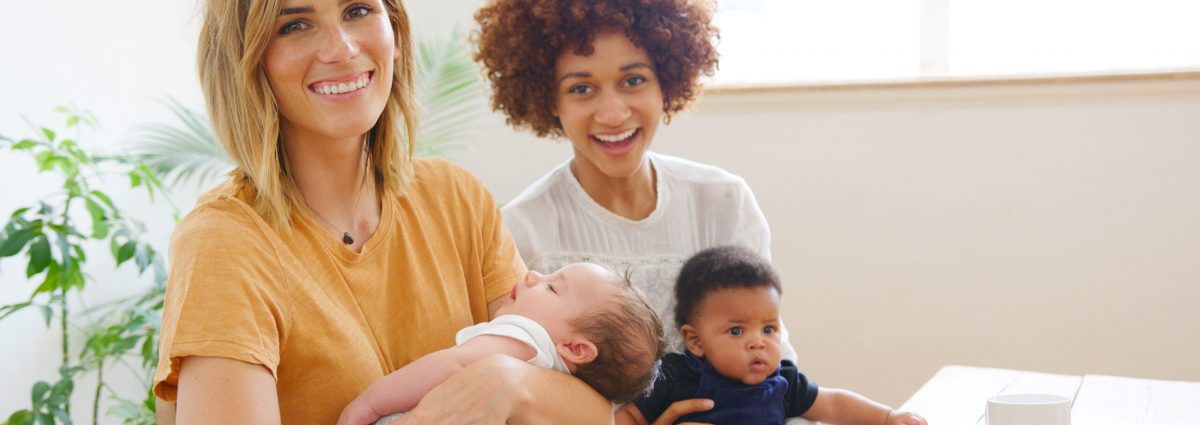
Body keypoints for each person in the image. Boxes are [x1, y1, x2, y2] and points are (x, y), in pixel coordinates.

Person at [153, 0, 617, 423]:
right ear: (247, 62)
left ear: (394, 32)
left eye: (357, 10)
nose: (343, 48)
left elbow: (594, 415)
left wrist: (508, 380)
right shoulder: (226, 242)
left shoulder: (456, 199)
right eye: (295, 25)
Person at [475, 1, 797, 421]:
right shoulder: (524, 231)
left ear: (667, 81)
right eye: (581, 88)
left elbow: (773, 356)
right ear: (548, 99)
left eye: (633, 80)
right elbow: (517, 390)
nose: (613, 113)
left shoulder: (723, 202)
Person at [620, 246, 928, 425]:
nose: (759, 342)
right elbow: (631, 416)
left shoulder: (782, 381)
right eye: (736, 330)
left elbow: (832, 403)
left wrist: (889, 417)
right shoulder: (676, 376)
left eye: (769, 328)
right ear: (696, 341)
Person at [337, 263, 666, 425]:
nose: (533, 275)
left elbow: (455, 364)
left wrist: (371, 403)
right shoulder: (559, 382)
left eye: (552, 288)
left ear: (576, 349)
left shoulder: (526, 337)